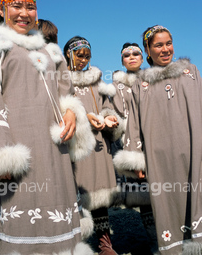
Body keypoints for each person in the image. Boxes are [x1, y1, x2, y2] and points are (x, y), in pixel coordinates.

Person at [0, 0, 96, 255]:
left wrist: (71, 110)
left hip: (54, 147)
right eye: (17, 6)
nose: (24, 13)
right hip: (18, 144)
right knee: (20, 209)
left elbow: (65, 90)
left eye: (30, 7)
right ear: (2, 9)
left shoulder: (49, 51)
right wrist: (1, 154)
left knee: (59, 206)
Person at [115, 25, 202, 255]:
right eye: (158, 45)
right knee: (166, 202)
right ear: (148, 49)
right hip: (159, 157)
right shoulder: (141, 84)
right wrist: (136, 161)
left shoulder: (190, 71)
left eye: (168, 43)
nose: (165, 49)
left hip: (195, 150)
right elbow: (133, 122)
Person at [63, 36, 125, 255]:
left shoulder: (97, 81)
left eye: (87, 56)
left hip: (98, 145)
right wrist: (85, 117)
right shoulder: (60, 79)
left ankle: (104, 244)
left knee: (99, 195)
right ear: (68, 54)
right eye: (79, 55)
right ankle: (72, 245)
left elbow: (107, 107)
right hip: (72, 146)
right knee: (72, 196)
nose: (83, 60)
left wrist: (110, 119)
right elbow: (56, 111)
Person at [110, 43, 156, 254]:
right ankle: (156, 242)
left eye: (136, 53)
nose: (131, 57)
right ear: (122, 61)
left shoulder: (156, 78)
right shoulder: (118, 86)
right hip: (136, 145)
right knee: (146, 196)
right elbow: (121, 118)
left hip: (160, 142)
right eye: (126, 55)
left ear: (143, 56)